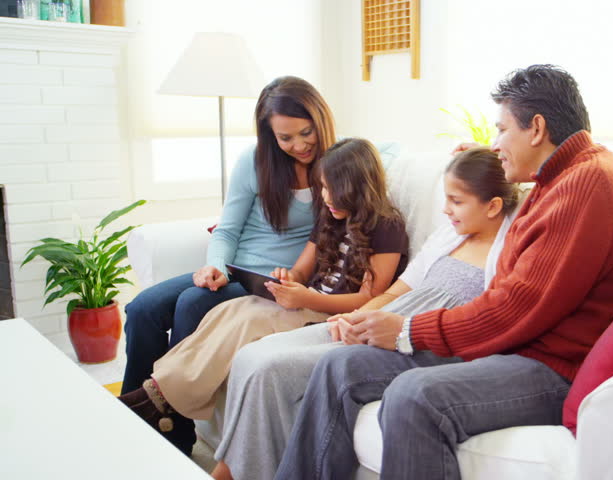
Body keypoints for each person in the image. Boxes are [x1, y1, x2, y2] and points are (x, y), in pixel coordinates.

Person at [275, 64, 613, 480]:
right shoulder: (557, 181)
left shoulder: (588, 185)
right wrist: (483, 162)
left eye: (502, 130)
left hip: (554, 367)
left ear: (537, 128)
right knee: (339, 367)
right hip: (514, 348)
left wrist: (406, 330)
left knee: (413, 395)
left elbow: (516, 307)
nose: (496, 143)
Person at [207, 147, 521, 480]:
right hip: (380, 318)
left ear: (493, 206)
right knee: (250, 357)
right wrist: (356, 316)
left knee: (272, 370)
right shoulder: (450, 235)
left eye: (456, 202)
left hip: (414, 336)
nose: (445, 210)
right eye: (446, 199)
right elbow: (393, 292)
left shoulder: (509, 249)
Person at [118, 137, 409, 442]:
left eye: (334, 188)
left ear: (360, 184)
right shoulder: (330, 215)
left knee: (251, 320)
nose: (327, 196)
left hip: (330, 316)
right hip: (307, 302)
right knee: (232, 309)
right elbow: (301, 270)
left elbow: (370, 298)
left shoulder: (387, 225)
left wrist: (305, 297)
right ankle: (157, 392)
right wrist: (287, 277)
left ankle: (155, 401)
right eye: (323, 187)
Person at [119, 76, 336, 454]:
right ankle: (130, 424)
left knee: (192, 304)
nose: (299, 145)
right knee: (142, 309)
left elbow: (385, 151)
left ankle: (175, 434)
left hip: (274, 282)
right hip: (237, 270)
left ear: (320, 120)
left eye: (306, 133)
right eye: (285, 138)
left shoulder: (336, 166)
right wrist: (215, 265)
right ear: (270, 136)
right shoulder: (255, 163)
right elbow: (228, 229)